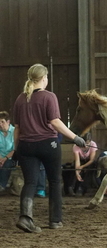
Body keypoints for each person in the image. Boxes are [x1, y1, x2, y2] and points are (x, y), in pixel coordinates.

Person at [12, 63, 87, 232]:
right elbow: (55, 122)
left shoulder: (20, 98)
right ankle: (55, 220)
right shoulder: (49, 97)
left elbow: (17, 128)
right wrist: (75, 138)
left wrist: (17, 149)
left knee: (30, 182)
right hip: (48, 144)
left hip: (25, 145)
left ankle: (25, 217)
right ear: (44, 78)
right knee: (54, 181)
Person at [0, 111, 16, 193]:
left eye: (2, 122)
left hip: (11, 157)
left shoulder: (15, 132)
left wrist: (5, 158)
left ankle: (2, 186)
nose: (0, 124)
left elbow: (15, 149)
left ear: (8, 122)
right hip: (1, 157)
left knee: (7, 163)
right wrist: (0, 158)